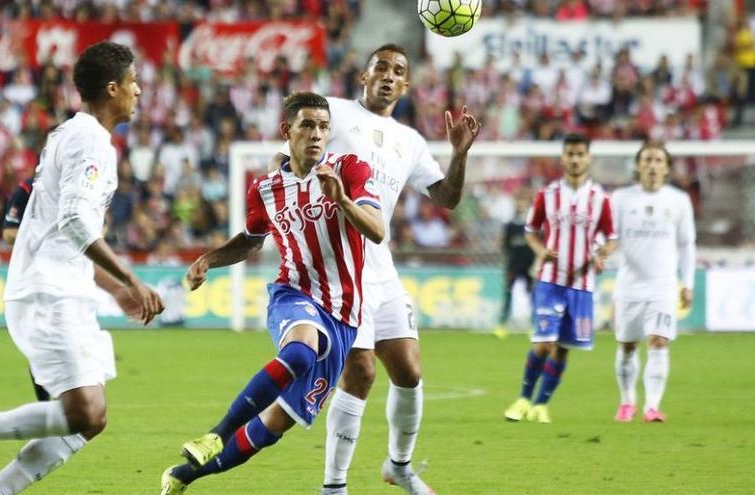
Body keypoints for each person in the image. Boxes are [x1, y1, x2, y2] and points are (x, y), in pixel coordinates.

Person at [0, 41, 164, 493]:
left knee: (89, 420)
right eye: (133, 83)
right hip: (49, 294)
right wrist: (130, 278)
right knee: (83, 412)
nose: (139, 91)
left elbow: (56, 227)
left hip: (65, 288)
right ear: (112, 89)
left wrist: (109, 286)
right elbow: (71, 221)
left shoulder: (72, 134)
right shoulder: (90, 142)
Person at [271, 44, 476, 495]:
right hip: (341, 267)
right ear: (363, 76)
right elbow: (289, 155)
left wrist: (458, 154)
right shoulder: (336, 114)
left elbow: (446, 198)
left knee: (409, 369)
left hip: (381, 266)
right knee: (360, 370)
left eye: (397, 71)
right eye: (379, 67)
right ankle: (334, 485)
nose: (387, 75)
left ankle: (398, 467)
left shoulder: (411, 141)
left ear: (405, 86)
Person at [159, 92, 385, 495]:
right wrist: (208, 260)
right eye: (307, 126)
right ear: (287, 131)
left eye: (323, 127)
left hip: (344, 316)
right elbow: (251, 240)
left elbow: (377, 230)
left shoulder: (349, 169)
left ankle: (183, 477)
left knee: (273, 425)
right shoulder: (265, 189)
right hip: (293, 294)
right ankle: (216, 434)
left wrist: (343, 201)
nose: (317, 134)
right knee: (299, 351)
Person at [503, 134, 616, 424]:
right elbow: (530, 230)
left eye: (580, 154)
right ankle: (523, 399)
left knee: (564, 347)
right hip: (549, 281)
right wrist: (542, 251)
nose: (575, 159)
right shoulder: (547, 195)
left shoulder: (601, 199)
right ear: (563, 158)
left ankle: (542, 404)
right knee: (544, 342)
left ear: (588, 158)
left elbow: (611, 238)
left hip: (582, 285)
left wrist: (603, 254)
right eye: (570, 154)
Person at [610, 141, 695, 423]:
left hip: (662, 287)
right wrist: (600, 253)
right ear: (638, 165)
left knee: (659, 341)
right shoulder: (621, 198)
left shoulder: (679, 200)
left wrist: (688, 282)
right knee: (627, 345)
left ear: (667, 168)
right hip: (629, 286)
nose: (652, 165)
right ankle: (627, 401)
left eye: (658, 160)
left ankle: (652, 406)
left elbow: (687, 245)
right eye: (647, 160)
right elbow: (610, 238)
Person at [1, 176, 51, 402]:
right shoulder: (27, 188)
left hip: (70, 274)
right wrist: (44, 235)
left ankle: (67, 405)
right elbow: (9, 233)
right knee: (40, 342)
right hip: (35, 275)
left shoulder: (77, 184)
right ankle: (45, 404)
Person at [494, 194, 537, 339]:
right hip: (513, 264)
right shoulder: (510, 225)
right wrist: (506, 260)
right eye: (518, 202)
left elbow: (537, 245)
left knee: (532, 295)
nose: (520, 205)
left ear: (527, 204)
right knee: (508, 294)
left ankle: (534, 325)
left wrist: (536, 263)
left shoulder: (532, 226)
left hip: (529, 264)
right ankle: (502, 325)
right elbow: (504, 245)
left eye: (522, 202)